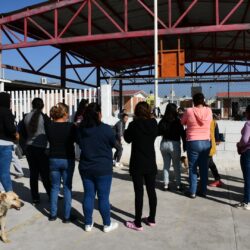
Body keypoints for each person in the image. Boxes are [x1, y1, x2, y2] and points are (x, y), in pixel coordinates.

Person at [77, 103, 118, 233]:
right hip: (103, 168)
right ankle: (107, 224)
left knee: (88, 195)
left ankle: (88, 224)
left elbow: (79, 142)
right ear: (99, 114)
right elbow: (115, 144)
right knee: (103, 197)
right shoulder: (106, 129)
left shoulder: (80, 130)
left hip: (86, 167)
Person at [124, 101, 158, 231]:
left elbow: (127, 139)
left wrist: (128, 125)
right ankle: (151, 219)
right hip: (150, 161)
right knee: (151, 191)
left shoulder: (133, 124)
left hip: (137, 163)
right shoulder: (154, 123)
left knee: (139, 193)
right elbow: (156, 133)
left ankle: (137, 223)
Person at [46, 103, 76, 222]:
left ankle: (53, 214)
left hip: (53, 158)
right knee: (67, 187)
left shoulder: (49, 126)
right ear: (64, 114)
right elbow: (75, 140)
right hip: (67, 158)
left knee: (54, 187)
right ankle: (67, 216)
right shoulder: (71, 126)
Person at [181, 93, 212, 198]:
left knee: (193, 167)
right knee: (204, 168)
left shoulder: (189, 111)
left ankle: (192, 191)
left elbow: (182, 122)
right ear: (203, 100)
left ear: (193, 101)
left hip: (193, 141)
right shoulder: (209, 111)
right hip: (206, 142)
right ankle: (203, 191)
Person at [24, 98, 51, 204]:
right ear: (42, 106)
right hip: (41, 149)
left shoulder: (26, 117)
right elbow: (49, 133)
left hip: (29, 148)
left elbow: (22, 132)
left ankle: (35, 197)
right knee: (45, 174)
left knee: (33, 174)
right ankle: (50, 194)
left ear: (32, 105)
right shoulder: (44, 117)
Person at [158, 103, 186, 191]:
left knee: (166, 165)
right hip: (174, 144)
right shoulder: (177, 121)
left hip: (164, 143)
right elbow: (182, 134)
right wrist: (185, 144)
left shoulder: (162, 120)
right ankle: (178, 185)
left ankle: (165, 185)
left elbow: (158, 131)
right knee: (176, 165)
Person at [0, 92, 17, 192]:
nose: (10, 102)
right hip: (5, 144)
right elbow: (11, 129)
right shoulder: (7, 112)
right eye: (9, 100)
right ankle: (9, 195)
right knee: (5, 172)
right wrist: (15, 133)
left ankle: (1, 194)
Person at [236, 105, 250, 210]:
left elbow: (245, 140)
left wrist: (239, 145)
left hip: (247, 153)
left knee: (247, 179)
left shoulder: (248, 124)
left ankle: (246, 202)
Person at [208, 116, 223, 187]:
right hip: (211, 145)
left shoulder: (209, 122)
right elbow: (217, 136)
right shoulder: (214, 122)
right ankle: (217, 179)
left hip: (207, 145)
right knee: (210, 163)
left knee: (209, 163)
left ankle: (217, 179)